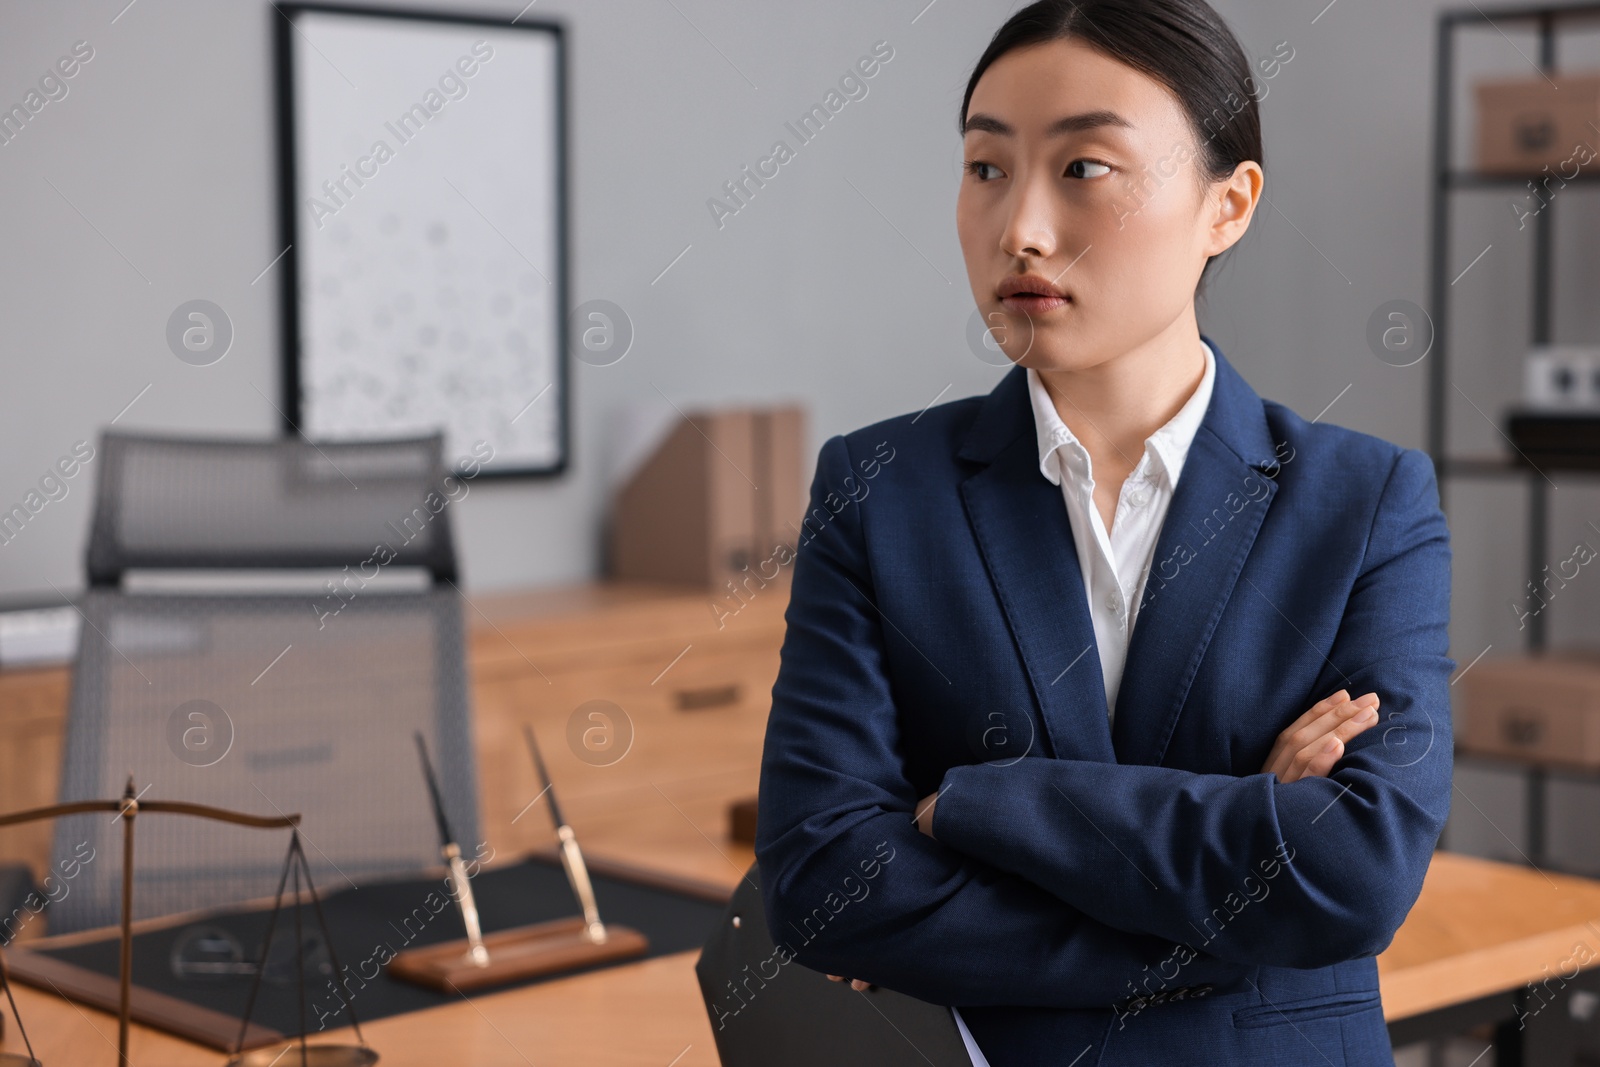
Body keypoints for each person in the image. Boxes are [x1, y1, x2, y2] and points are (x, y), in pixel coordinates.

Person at [753, 1, 1453, 1064]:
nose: (1019, 227)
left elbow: (1350, 874)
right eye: (986, 168)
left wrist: (980, 805)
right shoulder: (878, 488)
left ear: (1228, 206)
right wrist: (1238, 871)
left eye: (1084, 167)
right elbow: (822, 881)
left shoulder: (1364, 501)